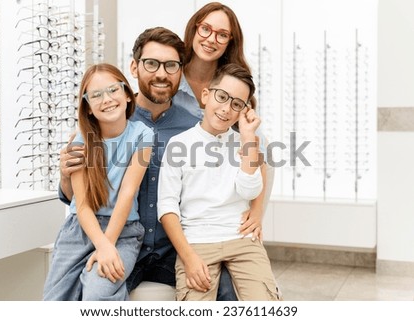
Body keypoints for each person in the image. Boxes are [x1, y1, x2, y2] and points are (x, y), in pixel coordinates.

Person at [58, 27, 239, 300]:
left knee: (227, 289)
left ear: (181, 71)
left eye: (171, 65)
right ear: (134, 66)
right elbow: (80, 198)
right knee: (89, 293)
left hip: (174, 251)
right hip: (123, 243)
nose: (161, 74)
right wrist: (64, 177)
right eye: (151, 63)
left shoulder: (195, 129)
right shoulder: (112, 121)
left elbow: (215, 191)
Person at [158, 63, 279, 300]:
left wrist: (247, 138)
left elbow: (249, 189)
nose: (226, 109)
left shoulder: (244, 142)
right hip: (197, 243)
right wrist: (188, 257)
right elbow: (167, 208)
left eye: (236, 104)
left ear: (243, 111)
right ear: (205, 95)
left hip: (242, 240)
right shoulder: (178, 145)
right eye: (222, 97)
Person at [43, 63, 153, 301]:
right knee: (54, 301)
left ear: (126, 93)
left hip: (122, 231)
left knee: (97, 293)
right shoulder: (81, 140)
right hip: (80, 230)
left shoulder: (143, 135)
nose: (107, 99)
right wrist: (101, 244)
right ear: (89, 107)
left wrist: (108, 245)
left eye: (113, 90)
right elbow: (81, 206)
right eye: (96, 95)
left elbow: (127, 192)